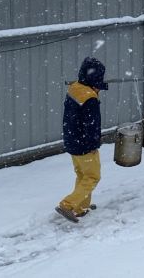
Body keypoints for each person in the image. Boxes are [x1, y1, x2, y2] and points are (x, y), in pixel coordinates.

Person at [55, 57, 108, 222]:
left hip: (72, 141)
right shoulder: (89, 98)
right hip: (85, 145)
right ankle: (67, 205)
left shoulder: (74, 89)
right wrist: (93, 144)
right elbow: (92, 125)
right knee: (93, 177)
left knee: (82, 175)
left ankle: (80, 207)